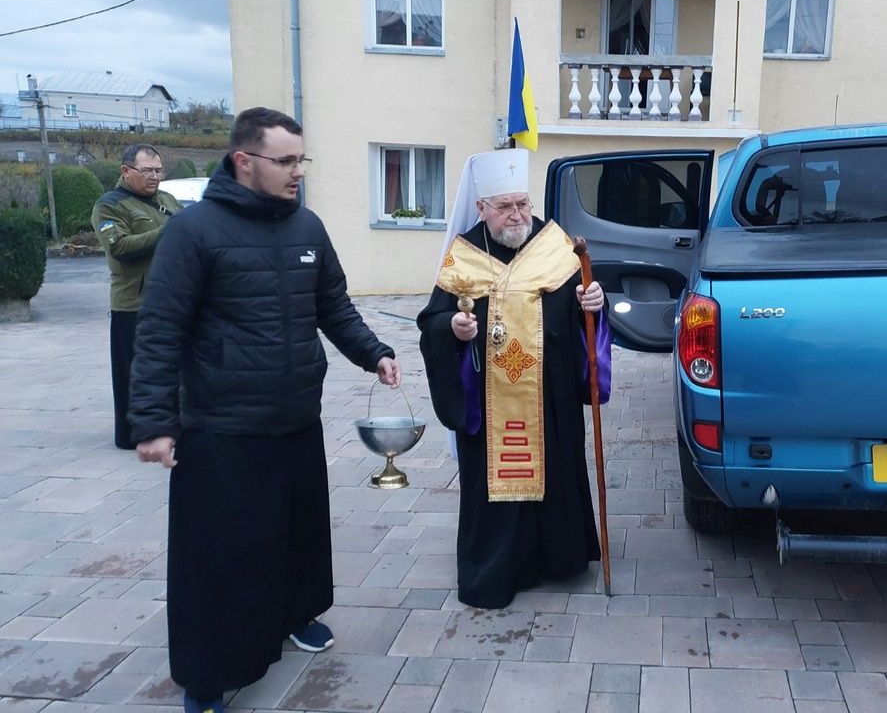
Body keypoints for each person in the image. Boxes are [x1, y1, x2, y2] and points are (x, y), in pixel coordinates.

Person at [127, 107, 401, 713]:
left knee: (296, 536)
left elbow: (333, 305)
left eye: (301, 159)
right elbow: (159, 331)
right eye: (285, 161)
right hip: (223, 428)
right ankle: (209, 674)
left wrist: (373, 353)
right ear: (243, 161)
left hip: (297, 417)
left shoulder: (307, 227)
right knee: (221, 558)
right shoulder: (193, 232)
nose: (297, 171)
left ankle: (296, 615)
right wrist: (151, 422)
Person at [417, 147, 611, 610]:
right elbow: (432, 323)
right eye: (504, 207)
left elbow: (585, 306)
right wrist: (454, 330)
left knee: (556, 474)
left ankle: (556, 559)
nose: (517, 215)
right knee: (494, 488)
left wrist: (595, 305)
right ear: (482, 208)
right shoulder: (464, 257)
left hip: (551, 396)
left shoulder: (556, 246)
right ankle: (499, 567)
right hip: (490, 406)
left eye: (522, 203)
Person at [90, 144, 181, 450]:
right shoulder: (109, 206)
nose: (154, 177)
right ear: (126, 171)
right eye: (147, 171)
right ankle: (133, 434)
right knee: (133, 372)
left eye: (158, 170)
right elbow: (119, 246)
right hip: (134, 304)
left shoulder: (166, 201)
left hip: (172, 300)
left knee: (173, 370)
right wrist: (170, 231)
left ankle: (170, 427)